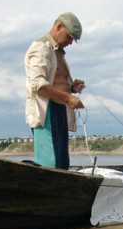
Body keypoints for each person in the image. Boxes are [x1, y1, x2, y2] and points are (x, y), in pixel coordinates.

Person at [24, 12, 86, 169]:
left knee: (62, 164)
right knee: (50, 164)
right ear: (59, 27)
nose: (71, 42)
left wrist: (72, 88)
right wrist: (68, 98)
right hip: (47, 113)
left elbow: (55, 81)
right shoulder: (41, 47)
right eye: (70, 36)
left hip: (59, 111)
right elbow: (38, 84)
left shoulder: (56, 51)